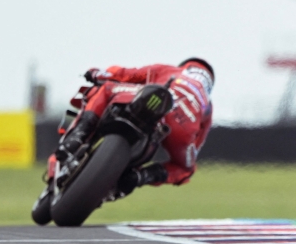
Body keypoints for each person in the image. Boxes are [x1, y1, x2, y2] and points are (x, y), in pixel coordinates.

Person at [54, 58, 214, 195]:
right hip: (183, 126)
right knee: (185, 170)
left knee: (106, 89)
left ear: (185, 66)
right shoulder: (207, 105)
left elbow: (126, 74)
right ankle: (142, 176)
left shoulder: (171, 70)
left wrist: (96, 73)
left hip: (147, 99)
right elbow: (196, 146)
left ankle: (78, 135)